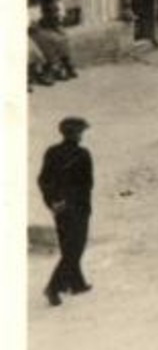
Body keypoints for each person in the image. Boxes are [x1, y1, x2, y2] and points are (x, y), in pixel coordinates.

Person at [38, 116, 93, 306]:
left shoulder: (52, 152)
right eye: (80, 132)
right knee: (75, 248)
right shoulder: (83, 154)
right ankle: (54, 287)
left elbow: (43, 180)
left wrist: (53, 202)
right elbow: (87, 184)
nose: (82, 135)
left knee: (69, 246)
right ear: (76, 134)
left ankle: (76, 283)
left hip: (60, 208)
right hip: (77, 207)